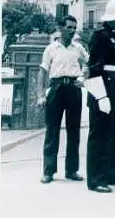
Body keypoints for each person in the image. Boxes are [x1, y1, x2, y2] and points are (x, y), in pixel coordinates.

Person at [85, 0, 115, 193]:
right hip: (103, 87)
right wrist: (100, 96)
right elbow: (94, 67)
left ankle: (109, 171)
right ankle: (95, 179)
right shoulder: (100, 36)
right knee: (99, 134)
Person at [37, 15, 88, 184]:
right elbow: (43, 72)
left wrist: (83, 78)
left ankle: (72, 170)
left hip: (73, 89)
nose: (72, 30)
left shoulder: (78, 48)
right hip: (56, 89)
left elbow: (89, 64)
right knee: (52, 131)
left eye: (74, 28)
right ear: (61, 28)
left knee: (74, 131)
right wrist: (40, 95)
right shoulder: (51, 49)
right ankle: (48, 171)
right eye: (69, 27)